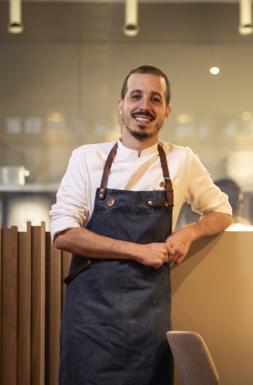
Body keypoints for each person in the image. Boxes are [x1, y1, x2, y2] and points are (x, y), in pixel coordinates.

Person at [49, 65, 232, 385]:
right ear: (121, 105)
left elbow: (221, 211)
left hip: (147, 324)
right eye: (136, 96)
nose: (144, 106)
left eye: (155, 99)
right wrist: (138, 251)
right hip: (91, 322)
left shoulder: (182, 159)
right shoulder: (86, 158)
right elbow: (64, 233)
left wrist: (188, 233)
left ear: (166, 111)